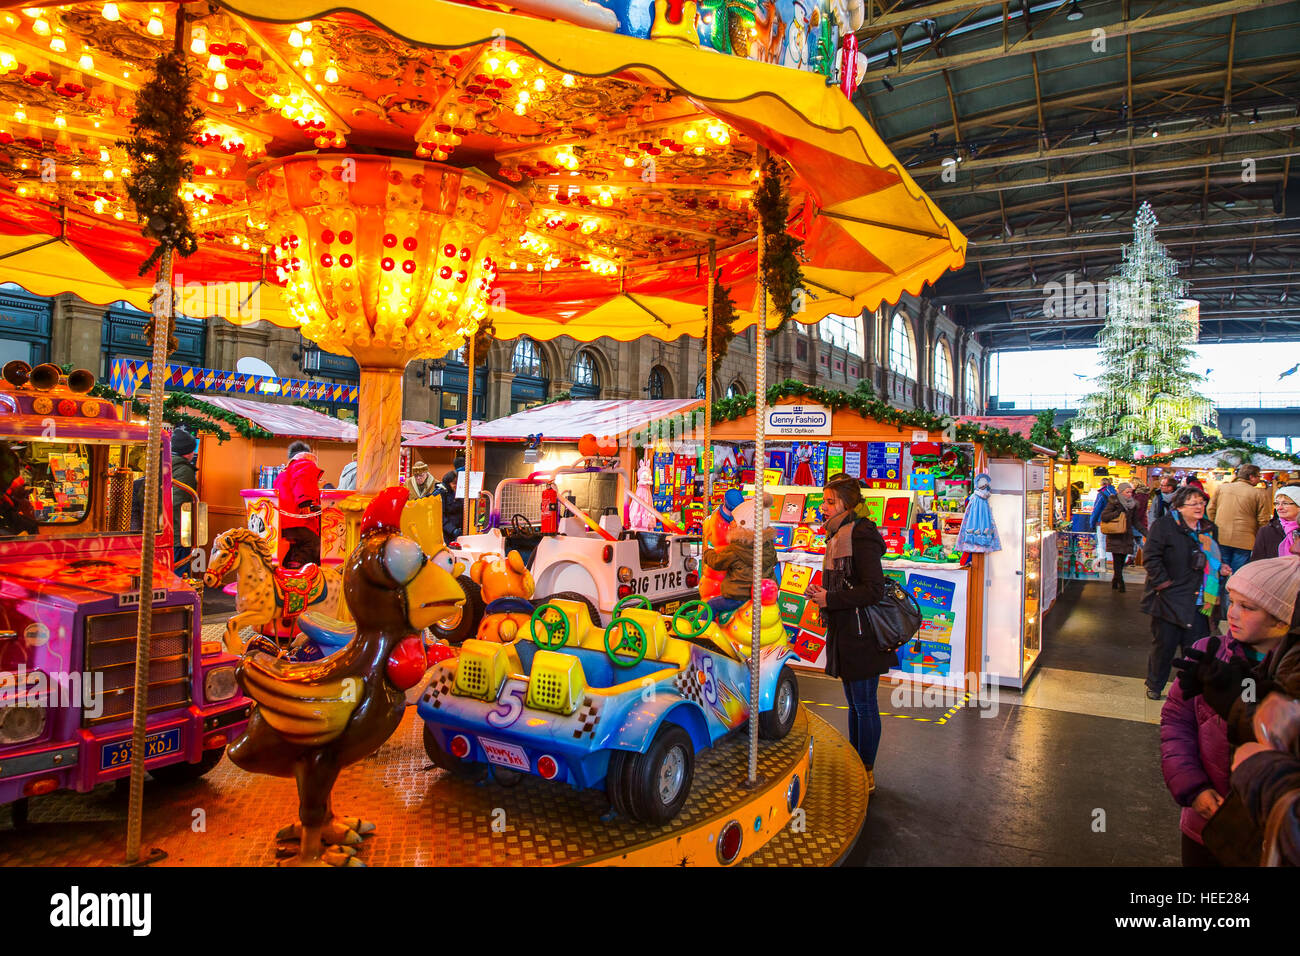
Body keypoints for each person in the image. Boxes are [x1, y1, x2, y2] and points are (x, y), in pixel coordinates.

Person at [1160, 560, 1294, 866]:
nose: (1231, 613)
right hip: (1204, 821)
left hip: (1267, 835)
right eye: (1231, 601)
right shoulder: (1209, 650)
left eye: (1247, 607)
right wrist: (1192, 786)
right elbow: (1177, 720)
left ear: (1282, 618)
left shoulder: (1289, 676)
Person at [806, 473, 889, 795]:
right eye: (822, 501)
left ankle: (866, 770)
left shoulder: (860, 535)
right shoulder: (838, 534)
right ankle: (857, 762)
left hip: (862, 634)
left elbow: (874, 590)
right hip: (847, 630)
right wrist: (824, 592)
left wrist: (832, 598)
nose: (823, 507)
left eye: (829, 502)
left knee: (865, 704)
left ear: (846, 504)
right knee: (855, 704)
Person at [1140, 485, 1225, 701]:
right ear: (1179, 506)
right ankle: (1155, 684)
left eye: (1202, 502)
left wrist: (1219, 568)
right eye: (1193, 503)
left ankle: (1187, 690)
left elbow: (1213, 558)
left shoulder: (1208, 528)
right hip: (1169, 598)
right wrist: (1164, 585)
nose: (1199, 507)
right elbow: (1151, 557)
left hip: (1201, 598)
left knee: (1195, 648)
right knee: (1164, 646)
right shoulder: (1165, 526)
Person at [1207, 464, 1270, 579]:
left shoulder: (1222, 488)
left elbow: (1210, 509)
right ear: (1251, 477)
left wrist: (1215, 526)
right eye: (1258, 476)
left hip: (1221, 536)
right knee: (1237, 575)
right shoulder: (1259, 494)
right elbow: (1263, 520)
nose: (1259, 479)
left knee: (1221, 571)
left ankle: (1220, 596)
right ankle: (1232, 597)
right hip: (1245, 540)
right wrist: (1257, 536)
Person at [275, 440, 323, 569]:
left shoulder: (284, 472)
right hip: (295, 520)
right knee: (313, 542)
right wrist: (305, 502)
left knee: (298, 543)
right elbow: (302, 480)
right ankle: (298, 566)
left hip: (283, 522)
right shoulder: (305, 464)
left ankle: (288, 564)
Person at [1098, 481, 1139, 591]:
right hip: (1115, 535)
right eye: (1127, 492)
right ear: (1121, 492)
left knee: (1122, 560)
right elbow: (1104, 516)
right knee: (1117, 559)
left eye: (1131, 492)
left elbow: (1136, 522)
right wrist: (1118, 512)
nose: (1130, 494)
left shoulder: (1133, 505)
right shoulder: (1113, 502)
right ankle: (1121, 582)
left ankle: (1115, 579)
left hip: (1127, 535)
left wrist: (1146, 533)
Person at [169, 429, 199, 570]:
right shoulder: (185, 471)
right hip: (177, 534)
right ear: (188, 452)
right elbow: (178, 503)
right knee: (179, 573)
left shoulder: (165, 465)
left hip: (164, 531)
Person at [1251, 485, 1300, 560]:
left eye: (1285, 503)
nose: (1279, 508)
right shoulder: (1267, 531)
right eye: (1277, 503)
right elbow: (1257, 561)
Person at [440, 470, 464, 541]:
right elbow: (441, 516)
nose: (456, 486)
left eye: (458, 483)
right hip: (447, 533)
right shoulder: (442, 494)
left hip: (460, 530)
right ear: (448, 483)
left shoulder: (460, 494)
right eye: (454, 483)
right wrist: (452, 529)